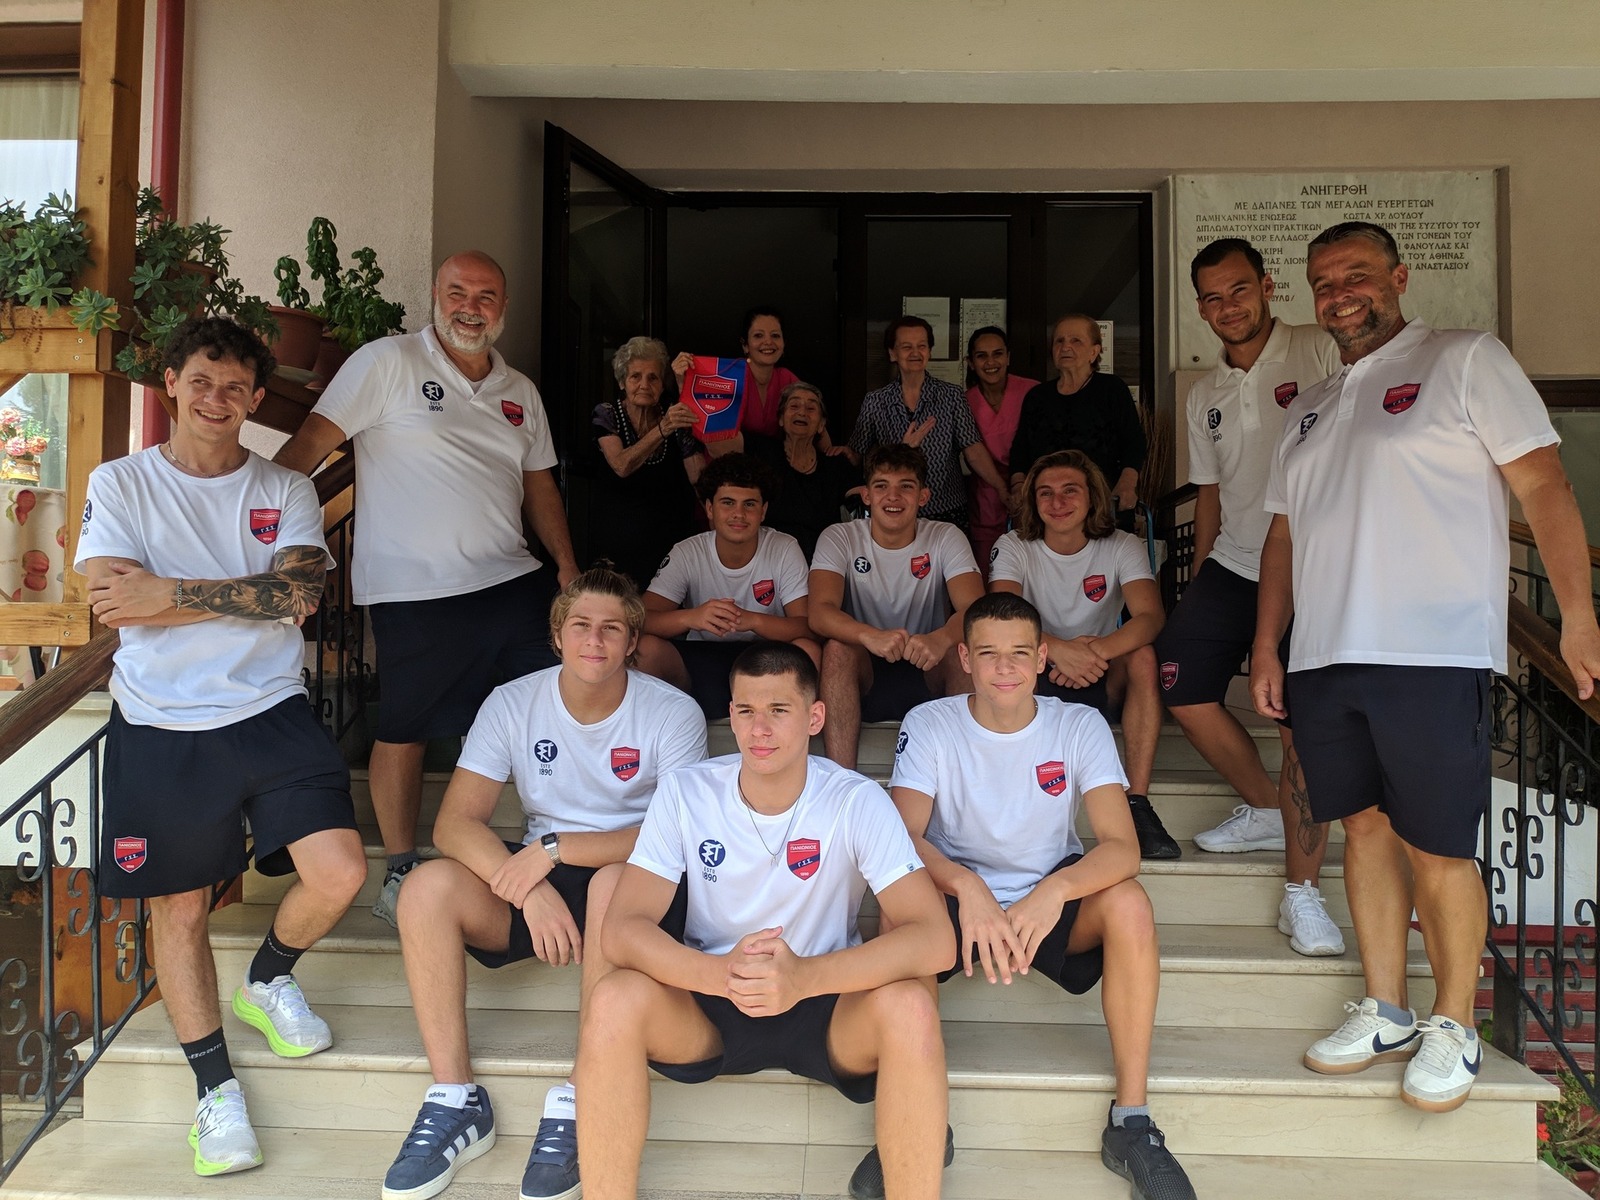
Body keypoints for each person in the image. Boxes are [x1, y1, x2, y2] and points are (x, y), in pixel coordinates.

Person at [1252, 221, 1600, 1113]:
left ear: (1399, 277)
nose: (1339, 293)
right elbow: (1283, 536)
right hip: (1325, 655)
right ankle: (1387, 1010)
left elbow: (1544, 485)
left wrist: (1577, 617)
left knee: (1439, 847)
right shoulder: (1310, 406)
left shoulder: (1465, 359)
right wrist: (1267, 644)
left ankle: (1455, 1022)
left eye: (1357, 274)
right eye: (1323, 281)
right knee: (1364, 831)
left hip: (1432, 650)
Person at [79, 317, 366, 1176]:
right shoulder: (121, 483)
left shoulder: (286, 488)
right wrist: (248, 594)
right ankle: (214, 1093)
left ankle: (268, 977)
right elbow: (112, 600)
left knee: (341, 871)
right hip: (160, 720)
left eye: (236, 387)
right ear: (171, 383)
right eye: (202, 381)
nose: (217, 399)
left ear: (255, 398)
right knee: (180, 909)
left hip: (269, 709)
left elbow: (301, 594)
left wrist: (168, 592)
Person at [574, 641, 955, 1200]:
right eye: (747, 711)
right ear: (730, 715)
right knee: (612, 1000)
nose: (760, 729)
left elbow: (935, 940)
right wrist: (720, 975)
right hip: (712, 998)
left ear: (815, 717)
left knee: (912, 1007)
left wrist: (804, 978)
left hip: (827, 1003)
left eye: (779, 710)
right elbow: (623, 928)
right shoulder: (686, 791)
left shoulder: (855, 799)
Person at [380, 566, 707, 1200]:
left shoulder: (673, 712)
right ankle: (455, 1098)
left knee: (611, 881)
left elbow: (677, 833)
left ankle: (585, 1096)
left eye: (611, 628)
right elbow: (454, 824)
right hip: (539, 878)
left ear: (633, 643)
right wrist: (530, 886)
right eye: (580, 625)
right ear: (557, 635)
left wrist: (555, 850)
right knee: (424, 889)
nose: (595, 640)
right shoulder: (512, 701)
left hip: (630, 877)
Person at [275, 251, 579, 928]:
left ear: (504, 307)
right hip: (413, 589)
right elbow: (306, 451)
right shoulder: (387, 363)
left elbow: (538, 486)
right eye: (458, 292)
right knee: (406, 728)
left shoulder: (520, 390)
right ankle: (402, 866)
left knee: (553, 706)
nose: (471, 307)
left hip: (512, 579)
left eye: (487, 296)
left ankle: (555, 844)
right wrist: (262, 535)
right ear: (435, 295)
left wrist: (564, 565)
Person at [891, 593, 1196, 1200]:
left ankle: (1132, 1123)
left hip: (1046, 893)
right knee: (898, 912)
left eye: (1019, 653)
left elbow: (1122, 848)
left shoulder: (1077, 724)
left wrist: (1054, 890)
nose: (1004, 668)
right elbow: (902, 840)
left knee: (1130, 902)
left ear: (1042, 658)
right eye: (988, 654)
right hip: (957, 896)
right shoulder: (930, 722)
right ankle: (915, 1115)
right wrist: (967, 886)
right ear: (964, 659)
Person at [1155, 237, 1344, 956]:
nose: (1227, 306)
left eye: (1239, 289)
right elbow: (1208, 492)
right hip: (1234, 564)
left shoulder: (1318, 350)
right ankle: (1267, 807)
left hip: (1313, 569)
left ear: (1267, 286)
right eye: (1212, 297)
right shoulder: (1205, 392)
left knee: (1298, 723)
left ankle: (1303, 893)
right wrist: (1200, 573)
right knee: (1178, 677)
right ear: (1200, 309)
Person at [989, 450, 1178, 860]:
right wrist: (1058, 650)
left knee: (1143, 656)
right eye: (1045, 492)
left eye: (1069, 491)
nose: (1057, 502)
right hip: (1035, 675)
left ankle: (1137, 804)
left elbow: (1151, 617)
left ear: (1092, 496)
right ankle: (1002, 797)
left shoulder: (1122, 544)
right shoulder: (1014, 545)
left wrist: (1095, 653)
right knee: (998, 655)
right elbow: (1002, 614)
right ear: (1033, 500)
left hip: (1100, 670)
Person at [809, 444, 984, 769]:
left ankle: (967, 778)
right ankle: (841, 781)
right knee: (836, 650)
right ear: (866, 495)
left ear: (923, 496)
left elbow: (976, 611)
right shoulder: (840, 536)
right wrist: (869, 635)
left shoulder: (945, 535)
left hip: (927, 660)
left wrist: (942, 638)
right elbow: (819, 612)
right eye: (881, 486)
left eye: (906, 486)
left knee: (962, 651)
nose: (893, 497)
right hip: (864, 665)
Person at [640, 453, 819, 717]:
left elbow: (808, 627)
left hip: (767, 661)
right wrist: (692, 617)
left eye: (749, 504)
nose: (739, 514)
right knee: (644, 649)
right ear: (709, 509)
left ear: (763, 511)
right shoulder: (688, 552)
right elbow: (640, 619)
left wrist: (753, 621)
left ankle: (797, 737)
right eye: (727, 503)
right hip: (701, 658)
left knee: (809, 650)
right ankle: (651, 736)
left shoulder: (783, 547)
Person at [846, 315, 1011, 530]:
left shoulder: (951, 395)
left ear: (930, 351)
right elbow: (856, 455)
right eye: (907, 347)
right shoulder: (876, 401)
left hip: (947, 508)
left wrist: (1001, 487)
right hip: (894, 507)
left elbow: (973, 449)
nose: (915, 353)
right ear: (892, 353)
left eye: (922, 346)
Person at [591, 335, 705, 591]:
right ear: (622, 382)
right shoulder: (607, 414)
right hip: (616, 545)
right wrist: (664, 428)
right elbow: (621, 465)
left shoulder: (674, 417)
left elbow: (698, 478)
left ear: (662, 385)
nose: (645, 384)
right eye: (636, 376)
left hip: (670, 545)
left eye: (653, 377)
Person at [1009, 314, 1145, 529]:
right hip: (1049, 509)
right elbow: (1020, 450)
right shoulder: (1037, 396)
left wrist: (1127, 484)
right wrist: (1018, 485)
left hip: (1102, 504)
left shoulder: (1111, 389)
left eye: (1076, 340)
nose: (1065, 347)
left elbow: (1134, 442)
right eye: (1059, 341)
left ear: (1094, 351)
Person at [744, 381, 860, 559]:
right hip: (767, 558)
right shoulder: (760, 452)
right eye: (794, 406)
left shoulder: (836, 465)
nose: (802, 412)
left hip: (821, 561)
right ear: (781, 419)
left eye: (811, 408)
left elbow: (864, 498)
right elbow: (718, 439)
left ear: (821, 425)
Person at [670, 305, 800, 450]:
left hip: (773, 460)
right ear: (745, 346)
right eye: (758, 335)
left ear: (784, 343)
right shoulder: (726, 375)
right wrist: (682, 382)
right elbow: (711, 434)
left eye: (775, 335)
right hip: (728, 460)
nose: (768, 342)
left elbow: (812, 420)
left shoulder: (787, 379)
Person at [963, 327, 1038, 571]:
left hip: (1031, 489)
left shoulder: (1033, 392)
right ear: (971, 363)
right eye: (981, 356)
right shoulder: (964, 402)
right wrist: (1001, 489)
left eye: (997, 354)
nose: (991, 362)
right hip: (986, 494)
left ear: (1008, 357)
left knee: (1031, 565)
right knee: (989, 568)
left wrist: (1021, 486)